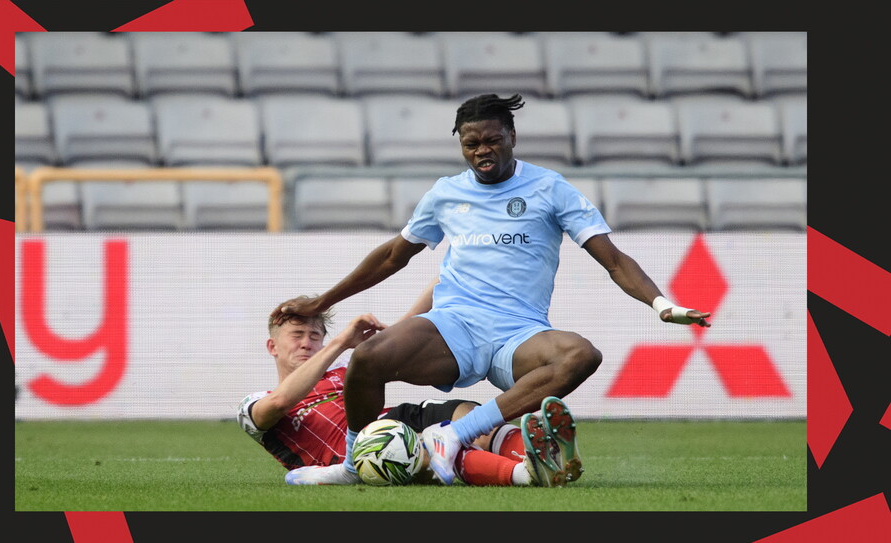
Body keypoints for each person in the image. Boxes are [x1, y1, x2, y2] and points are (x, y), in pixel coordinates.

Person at [271, 93, 711, 487]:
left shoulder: (550, 188)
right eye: (471, 143)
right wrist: (323, 302)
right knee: (368, 359)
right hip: (453, 325)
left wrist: (661, 304)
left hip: (518, 333)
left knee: (580, 355)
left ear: (512, 137)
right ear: (461, 145)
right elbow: (392, 257)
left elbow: (613, 260)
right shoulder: (445, 194)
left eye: (492, 140)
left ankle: (455, 435)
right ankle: (353, 464)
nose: (483, 150)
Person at [237, 295, 559, 487]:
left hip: (389, 421)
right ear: (272, 346)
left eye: (314, 335)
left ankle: (544, 454)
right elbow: (280, 403)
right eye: (297, 335)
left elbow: (401, 334)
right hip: (353, 456)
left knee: (462, 414)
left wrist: (449, 273)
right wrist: (338, 343)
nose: (307, 342)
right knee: (426, 448)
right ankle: (524, 474)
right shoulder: (253, 403)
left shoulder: (341, 371)